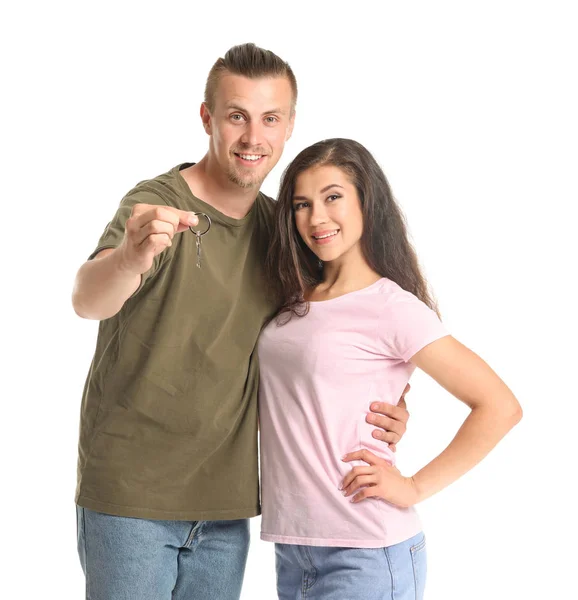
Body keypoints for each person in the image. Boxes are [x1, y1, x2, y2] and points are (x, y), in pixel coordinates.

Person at [71, 45, 410, 600]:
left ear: (289, 126)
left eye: (270, 118)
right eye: (237, 116)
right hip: (131, 497)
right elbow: (88, 299)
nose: (254, 137)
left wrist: (392, 399)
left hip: (228, 507)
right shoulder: (156, 203)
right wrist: (130, 258)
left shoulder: (284, 226)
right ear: (207, 119)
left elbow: (344, 319)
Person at [258, 138, 523, 600]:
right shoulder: (292, 302)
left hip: (366, 551)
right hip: (294, 548)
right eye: (302, 204)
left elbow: (499, 406)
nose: (317, 217)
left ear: (367, 201)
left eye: (333, 197)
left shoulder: (392, 307)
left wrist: (414, 486)